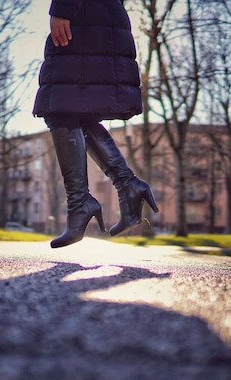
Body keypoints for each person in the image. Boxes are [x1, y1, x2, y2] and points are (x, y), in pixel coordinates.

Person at [33, 0, 159, 248]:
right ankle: (127, 186)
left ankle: (84, 201)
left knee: (60, 105)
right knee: (73, 109)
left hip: (84, 17)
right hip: (99, 17)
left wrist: (62, 8)